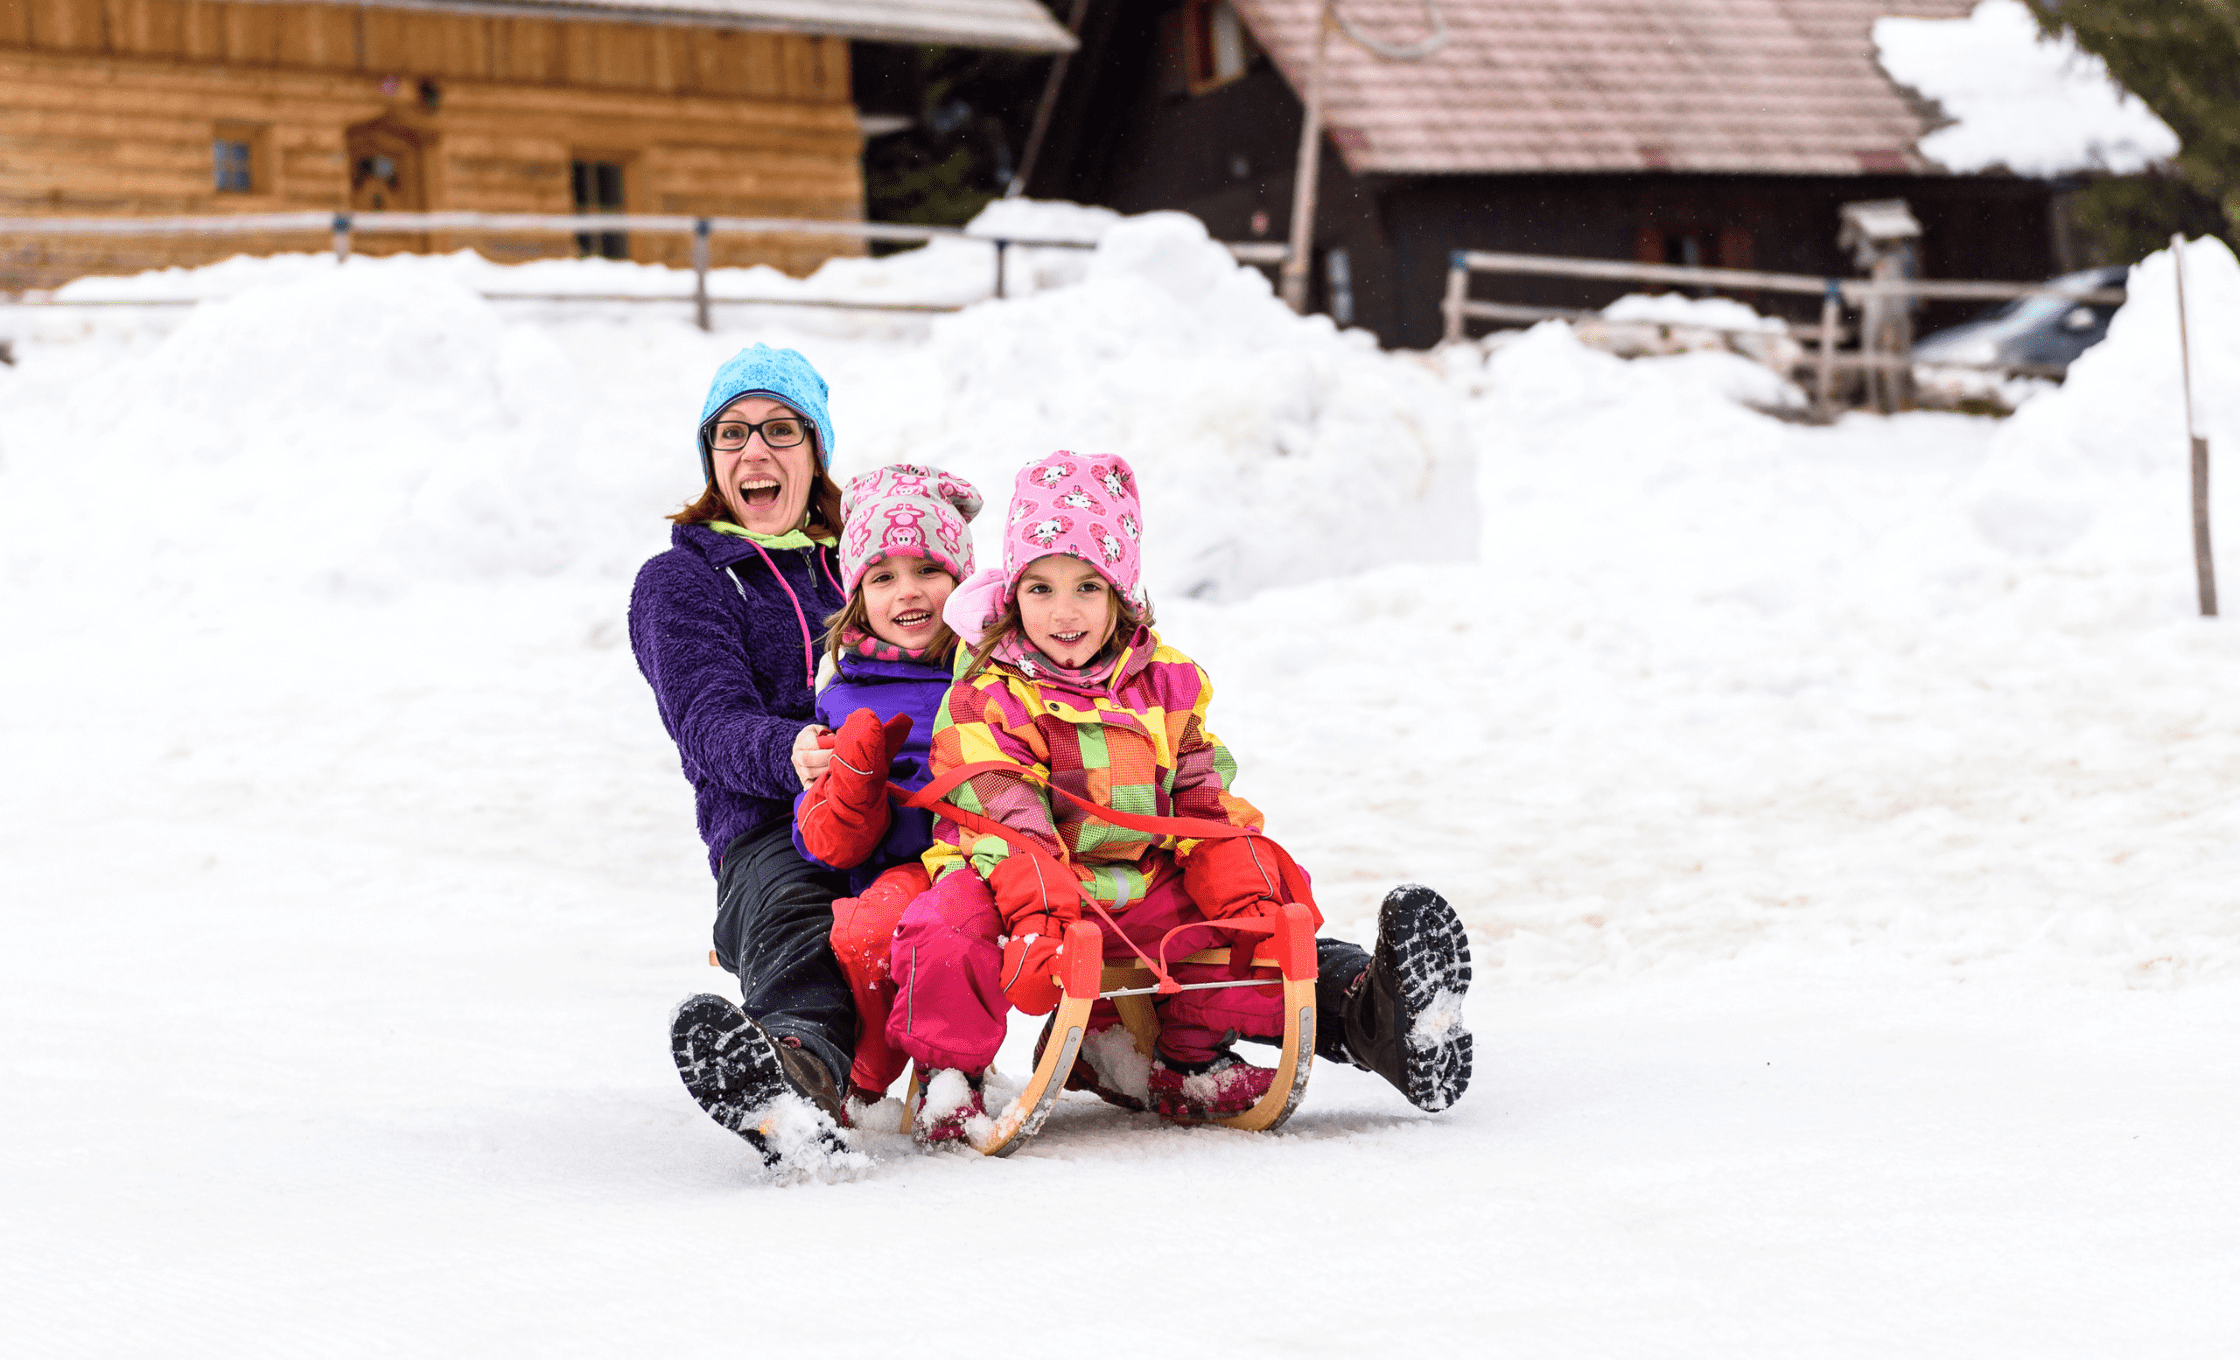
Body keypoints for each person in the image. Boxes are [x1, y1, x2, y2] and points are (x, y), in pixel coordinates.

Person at [886, 452, 1475, 1145]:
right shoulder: (988, 694)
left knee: (1243, 931)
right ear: (1013, 594)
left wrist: (1249, 896)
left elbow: (1199, 804)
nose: (1063, 611)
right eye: (1039, 589)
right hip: (1011, 881)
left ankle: (1183, 1057)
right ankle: (949, 1078)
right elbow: (1008, 819)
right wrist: (1043, 916)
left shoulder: (1166, 685)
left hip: (1132, 879)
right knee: (944, 931)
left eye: (1087, 586)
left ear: (1122, 593)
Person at [629, 344, 860, 1165]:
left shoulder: (867, 566)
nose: (753, 451)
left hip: (901, 814)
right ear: (711, 458)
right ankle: (790, 1080)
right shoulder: (685, 580)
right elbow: (707, 721)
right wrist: (791, 749)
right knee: (807, 927)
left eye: (779, 430)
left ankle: (1152, 1032)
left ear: (817, 452)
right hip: (774, 831)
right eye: (730, 433)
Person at [788, 462, 985, 1107]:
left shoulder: (995, 672)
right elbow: (817, 833)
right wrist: (847, 788)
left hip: (994, 856)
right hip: (903, 863)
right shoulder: (844, 696)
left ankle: (957, 1071)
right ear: (856, 597)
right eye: (883, 577)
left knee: (952, 934)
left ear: (961, 580)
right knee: (865, 936)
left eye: (929, 570)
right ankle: (877, 1056)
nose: (909, 592)